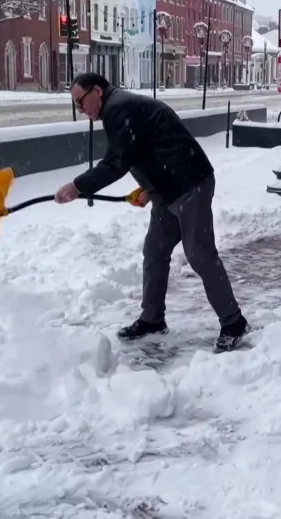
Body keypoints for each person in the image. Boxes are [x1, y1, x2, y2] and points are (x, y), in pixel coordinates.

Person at [55, 72, 250, 353]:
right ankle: (152, 319)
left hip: (189, 183)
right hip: (167, 189)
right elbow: (147, 147)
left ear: (97, 91)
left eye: (80, 102)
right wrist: (148, 188)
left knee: (200, 254)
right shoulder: (118, 106)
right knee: (155, 251)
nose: (80, 110)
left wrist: (77, 186)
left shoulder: (117, 107)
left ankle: (234, 323)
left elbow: (116, 162)